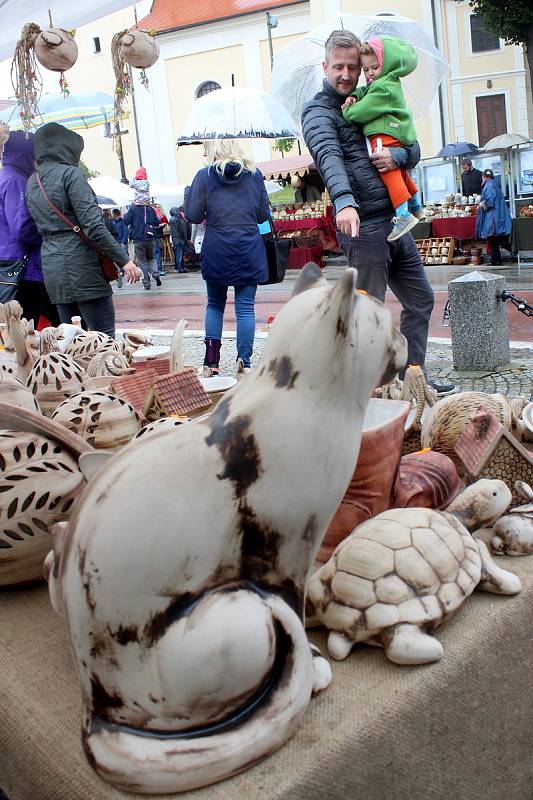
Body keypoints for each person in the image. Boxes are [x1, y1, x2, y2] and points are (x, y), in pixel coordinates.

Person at [301, 29, 455, 395]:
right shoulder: (318, 112)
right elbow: (329, 156)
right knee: (367, 319)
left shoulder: (373, 95)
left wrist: (397, 156)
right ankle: (362, 393)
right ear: (325, 66)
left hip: (395, 223)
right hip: (364, 229)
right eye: (338, 66)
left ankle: (411, 378)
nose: (345, 74)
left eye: (352, 67)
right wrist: (344, 200)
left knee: (421, 300)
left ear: (361, 67)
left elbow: (412, 144)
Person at [25, 123, 140, 338]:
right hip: (82, 267)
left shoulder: (33, 181)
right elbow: (93, 226)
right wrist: (124, 261)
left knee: (70, 341)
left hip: (53, 266)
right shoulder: (70, 175)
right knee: (102, 339)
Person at [184, 139, 270, 378]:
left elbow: (192, 215)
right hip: (248, 248)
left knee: (215, 305)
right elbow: (263, 215)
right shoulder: (255, 175)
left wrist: (191, 193)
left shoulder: (204, 175)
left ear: (214, 148)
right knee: (245, 309)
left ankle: (211, 362)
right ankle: (245, 361)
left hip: (217, 248)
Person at [341, 36, 419, 241]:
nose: (369, 74)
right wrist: (356, 95)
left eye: (374, 67)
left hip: (384, 135)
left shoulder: (383, 88)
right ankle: (416, 206)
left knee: (389, 172)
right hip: (391, 133)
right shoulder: (383, 83)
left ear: (386, 64)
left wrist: (348, 110)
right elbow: (366, 91)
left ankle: (403, 215)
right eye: (366, 70)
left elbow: (362, 112)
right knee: (400, 173)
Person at [0, 129, 59, 327]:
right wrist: (47, 233)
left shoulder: (5, 176)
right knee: (27, 326)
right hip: (24, 266)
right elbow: (22, 226)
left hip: (14, 261)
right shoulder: (16, 180)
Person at [475, 169, 512, 267]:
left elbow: (489, 202)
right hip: (498, 215)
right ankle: (495, 260)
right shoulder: (494, 184)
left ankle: (510, 252)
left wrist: (481, 204)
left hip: (492, 217)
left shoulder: (488, 185)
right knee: (493, 239)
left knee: (495, 238)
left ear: (484, 177)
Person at [123, 200, 162, 290]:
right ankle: (155, 273)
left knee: (142, 262)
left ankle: (146, 283)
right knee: (151, 258)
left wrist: (127, 213)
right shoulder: (150, 208)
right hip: (150, 237)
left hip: (138, 239)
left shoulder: (133, 208)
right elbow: (156, 222)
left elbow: (126, 221)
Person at [169, 206, 189, 272]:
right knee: (180, 254)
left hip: (175, 239)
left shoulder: (171, 219)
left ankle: (179, 267)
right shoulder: (177, 219)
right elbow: (182, 230)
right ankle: (180, 268)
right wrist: (185, 239)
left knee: (178, 253)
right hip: (180, 239)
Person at [151, 203, 168, 276]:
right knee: (157, 252)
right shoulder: (156, 216)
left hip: (153, 236)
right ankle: (158, 269)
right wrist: (160, 226)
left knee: (156, 252)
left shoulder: (150, 216)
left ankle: (155, 269)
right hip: (156, 236)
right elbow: (155, 227)